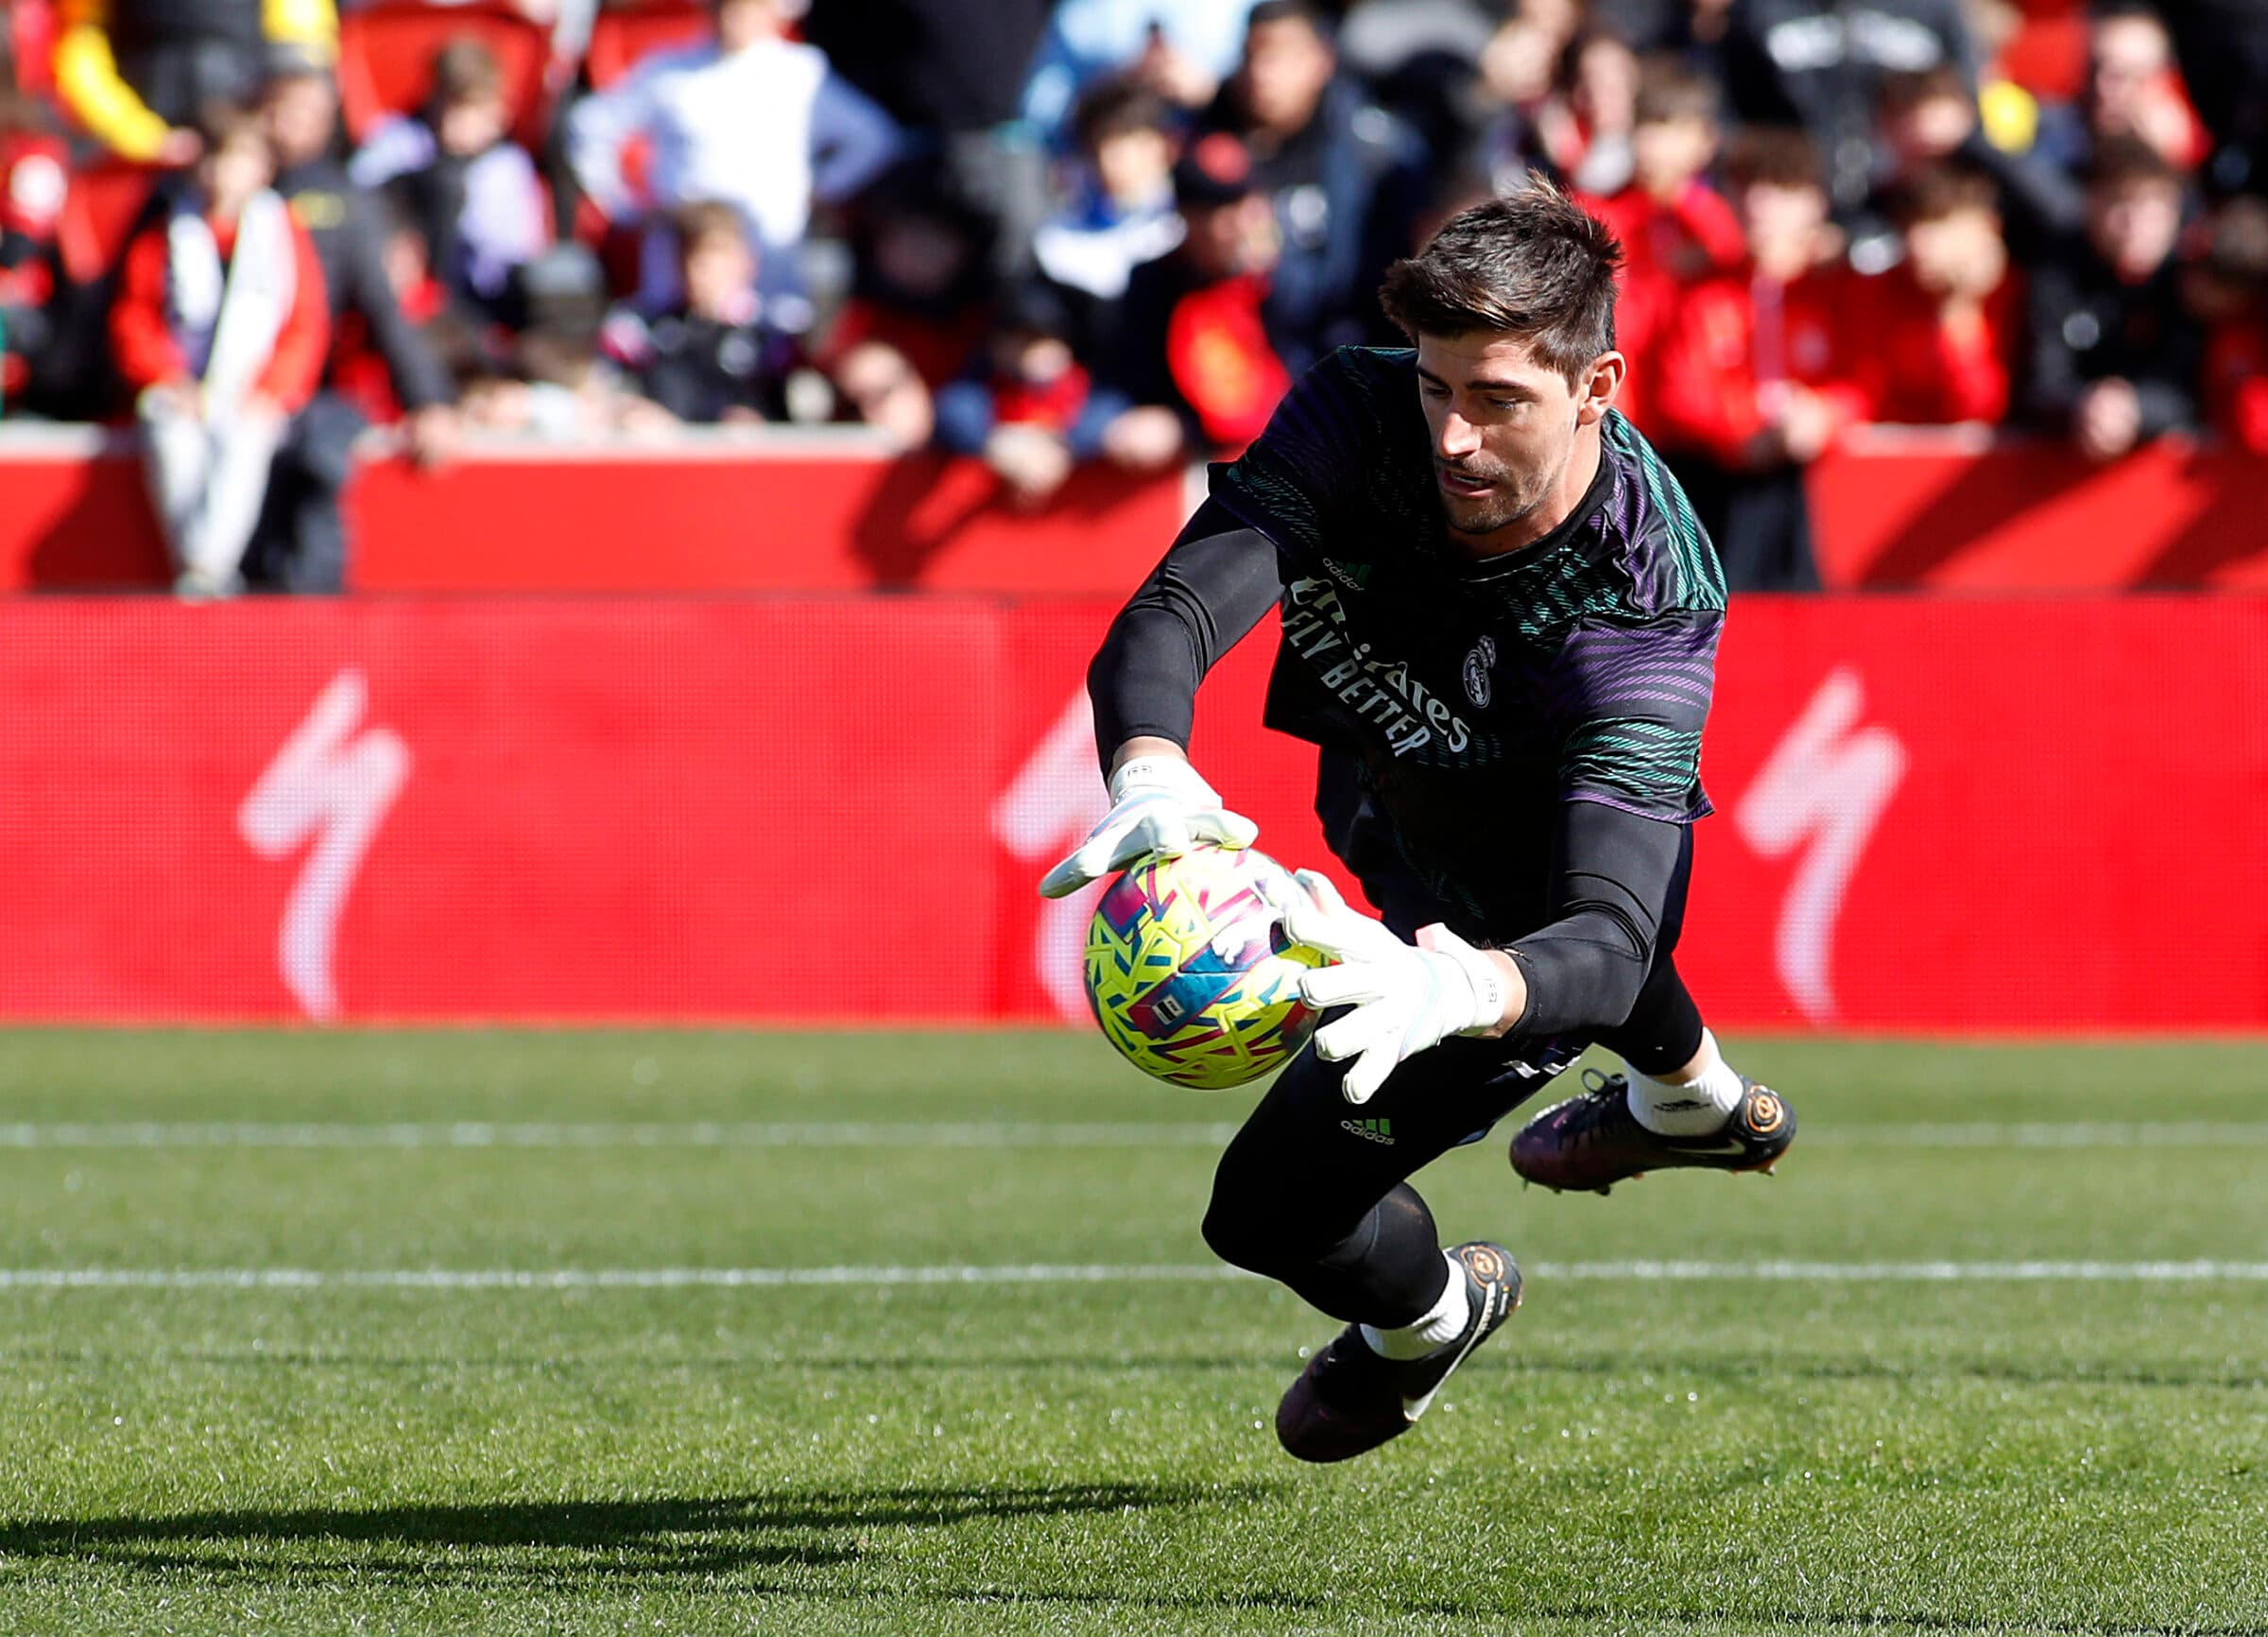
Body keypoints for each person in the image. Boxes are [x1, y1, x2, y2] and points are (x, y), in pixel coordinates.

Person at [1039, 181, 1796, 1465]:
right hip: (1387, 790)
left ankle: (1433, 1316)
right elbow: (1176, 606)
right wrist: (1152, 767)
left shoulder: (1645, 597)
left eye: (1498, 400)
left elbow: (1606, 935)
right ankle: (1693, 1105)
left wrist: (1469, 987)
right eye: (1440, 388)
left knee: (1264, 1214)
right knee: (1434, 828)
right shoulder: (1360, 406)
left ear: (1597, 385)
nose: (1451, 436)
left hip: (1511, 924)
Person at [255, 53, 459, 593]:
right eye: (283, 109)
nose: (292, 124)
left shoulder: (344, 204)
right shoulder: (212, 191)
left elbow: (385, 310)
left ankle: (313, 633)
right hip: (223, 390)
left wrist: (428, 401)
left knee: (318, 464)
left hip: (308, 389)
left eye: (309, 111)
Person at [110, 100, 328, 597]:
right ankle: (208, 574)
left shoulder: (279, 231)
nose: (225, 174)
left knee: (247, 441)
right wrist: (167, 377)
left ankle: (204, 570)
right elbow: (136, 316)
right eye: (216, 159)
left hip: (253, 388)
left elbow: (304, 323)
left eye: (238, 160)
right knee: (174, 442)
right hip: (181, 386)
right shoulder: (168, 230)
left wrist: (270, 387)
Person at [565, 0, 902, 310]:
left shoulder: (801, 73)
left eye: (746, 7)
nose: (732, 19)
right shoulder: (668, 70)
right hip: (681, 260)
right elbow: (592, 127)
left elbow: (873, 137)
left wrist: (822, 190)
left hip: (772, 256)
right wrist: (629, 207)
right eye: (723, 7)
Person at [1647, 129, 1863, 590]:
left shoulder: (1839, 291)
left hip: (1819, 492)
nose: (1760, 205)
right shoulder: (1700, 293)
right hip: (1723, 493)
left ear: (1814, 203)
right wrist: (1743, 435)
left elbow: (1867, 379)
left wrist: (1823, 414)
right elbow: (1677, 392)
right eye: (1748, 187)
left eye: (1782, 190)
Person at [347, 36, 548, 326]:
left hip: (478, 302)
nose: (457, 122)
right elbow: (357, 202)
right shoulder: (397, 141)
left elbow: (518, 253)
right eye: (451, 107)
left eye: (473, 110)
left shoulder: (507, 167)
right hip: (404, 297)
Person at [2024, 135, 2200, 462]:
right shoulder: (2057, 273)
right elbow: (2040, 381)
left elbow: (2194, 386)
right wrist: (2083, 405)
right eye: (2122, 204)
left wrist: (2137, 408)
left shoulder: (2188, 279)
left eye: (2154, 208)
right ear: (2091, 202)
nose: (2136, 225)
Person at [54, 0, 335, 165]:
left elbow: (300, 29)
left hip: (251, 123)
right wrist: (147, 138)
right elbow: (82, 49)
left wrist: (300, 85)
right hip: (156, 125)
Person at [600, 200, 804, 424]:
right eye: (688, 256)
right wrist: (630, 411)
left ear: (745, 261)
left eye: (712, 257)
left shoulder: (773, 336)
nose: (697, 270)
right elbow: (604, 388)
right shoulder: (647, 332)